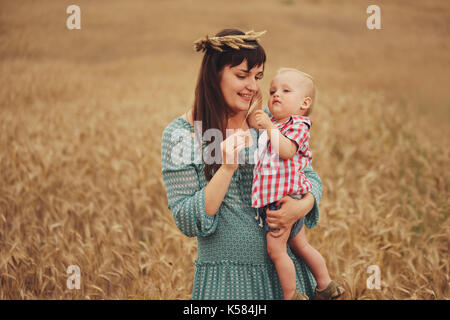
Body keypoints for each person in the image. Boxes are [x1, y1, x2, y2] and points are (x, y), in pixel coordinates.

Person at [161, 29, 323, 299]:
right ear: (214, 75)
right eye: (241, 75)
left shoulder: (266, 123)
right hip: (227, 283)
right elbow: (188, 220)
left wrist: (299, 207)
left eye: (257, 77)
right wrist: (226, 169)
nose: (253, 86)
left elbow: (310, 178)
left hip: (286, 279)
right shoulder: (180, 135)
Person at [252, 68, 345, 300]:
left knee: (276, 250)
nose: (276, 95)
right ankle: (325, 286)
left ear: (304, 103)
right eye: (272, 90)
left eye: (285, 90)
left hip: (283, 202)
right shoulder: (277, 123)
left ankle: (292, 295)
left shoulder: (298, 125)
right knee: (300, 245)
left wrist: (269, 127)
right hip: (287, 200)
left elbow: (286, 150)